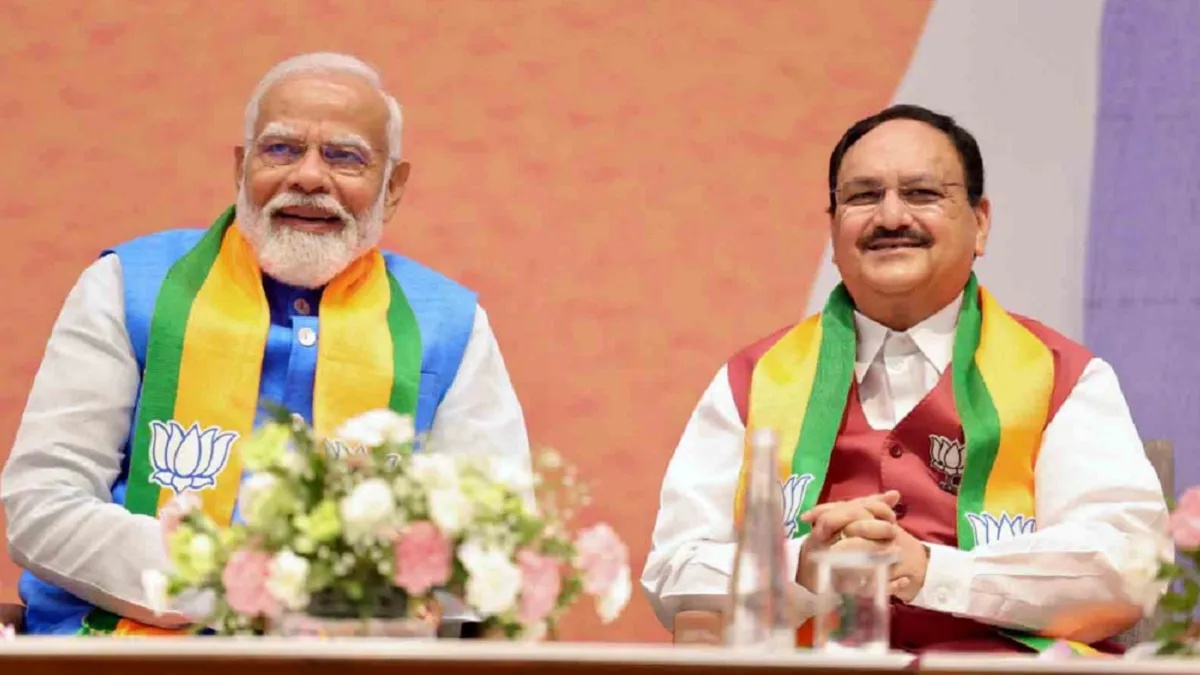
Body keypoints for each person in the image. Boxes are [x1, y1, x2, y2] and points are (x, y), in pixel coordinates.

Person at [1, 52, 531, 635]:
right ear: (241, 167)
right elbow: (42, 504)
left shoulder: (450, 324)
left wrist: (377, 600)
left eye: (345, 156)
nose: (308, 177)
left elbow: (495, 548)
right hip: (121, 650)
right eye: (281, 149)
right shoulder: (129, 285)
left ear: (393, 187)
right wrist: (241, 587)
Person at [641, 104, 1171, 653]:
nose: (891, 217)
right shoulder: (755, 380)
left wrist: (928, 570)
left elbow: (1130, 565)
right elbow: (676, 569)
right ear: (833, 227)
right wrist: (801, 567)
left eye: (922, 194)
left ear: (980, 222)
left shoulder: (1060, 376)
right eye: (863, 196)